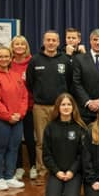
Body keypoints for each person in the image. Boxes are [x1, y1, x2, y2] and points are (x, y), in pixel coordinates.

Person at [26, 30, 72, 184]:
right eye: (48, 40)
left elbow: (70, 83)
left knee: (61, 140)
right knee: (41, 141)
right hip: (40, 107)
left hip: (61, 108)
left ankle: (59, 171)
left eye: (54, 40)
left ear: (59, 43)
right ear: (44, 42)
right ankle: (42, 172)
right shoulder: (35, 61)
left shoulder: (65, 60)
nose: (51, 43)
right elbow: (30, 84)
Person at [0, 46, 28, 191]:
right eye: (0, 56)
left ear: (11, 58)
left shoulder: (16, 75)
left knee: (13, 148)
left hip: (17, 119)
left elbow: (24, 96)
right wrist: (8, 116)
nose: (3, 59)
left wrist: (20, 114)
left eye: (6, 56)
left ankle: (9, 176)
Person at [43, 93, 86, 196]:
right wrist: (57, 172)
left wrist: (72, 171)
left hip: (74, 172)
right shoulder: (50, 127)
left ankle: (68, 189)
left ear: (73, 107)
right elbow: (46, 155)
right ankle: (57, 189)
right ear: (58, 107)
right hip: (57, 172)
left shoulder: (80, 128)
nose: (66, 107)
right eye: (63, 105)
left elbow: (82, 155)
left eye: (69, 104)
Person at [71, 28, 99, 124]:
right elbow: (76, 83)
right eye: (95, 40)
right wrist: (88, 102)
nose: (98, 42)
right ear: (90, 41)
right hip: (84, 109)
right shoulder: (79, 59)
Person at [10, 35, 36, 181]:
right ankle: (19, 167)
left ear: (26, 47)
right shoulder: (8, 63)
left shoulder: (32, 62)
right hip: (13, 108)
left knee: (30, 138)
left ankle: (33, 166)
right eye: (16, 44)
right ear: (12, 47)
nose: (19, 47)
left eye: (22, 44)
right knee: (15, 139)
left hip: (30, 106)